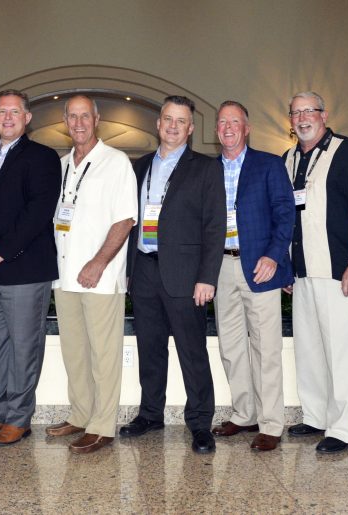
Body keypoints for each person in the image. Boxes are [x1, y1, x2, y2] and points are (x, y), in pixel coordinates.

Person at [121, 95, 225, 453]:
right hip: (144, 270)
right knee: (149, 348)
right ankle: (150, 413)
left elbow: (215, 226)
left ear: (191, 128)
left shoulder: (206, 168)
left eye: (181, 121)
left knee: (192, 352)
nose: (173, 126)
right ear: (158, 123)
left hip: (186, 275)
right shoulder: (140, 166)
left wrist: (207, 277)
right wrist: (129, 272)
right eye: (168, 118)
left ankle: (200, 423)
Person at [0, 90, 61, 445]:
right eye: (1, 111)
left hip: (24, 268)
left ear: (27, 117)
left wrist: (1, 250)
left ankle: (19, 417)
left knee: (24, 346)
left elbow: (38, 212)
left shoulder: (43, 158)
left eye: (14, 111)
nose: (7, 117)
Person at [282, 92, 348, 453]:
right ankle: (315, 416)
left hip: (341, 274)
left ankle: (341, 429)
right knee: (309, 350)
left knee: (342, 352)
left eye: (310, 110)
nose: (303, 117)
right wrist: (288, 268)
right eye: (296, 112)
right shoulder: (289, 159)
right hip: (303, 273)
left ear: (324, 114)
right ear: (289, 120)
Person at [46, 95, 138, 454]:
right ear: (65, 121)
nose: (79, 123)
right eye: (72, 116)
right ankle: (81, 414)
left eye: (85, 116)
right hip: (64, 275)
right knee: (75, 353)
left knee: (104, 355)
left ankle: (102, 425)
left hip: (100, 277)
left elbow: (125, 219)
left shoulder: (116, 163)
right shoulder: (61, 164)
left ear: (97, 119)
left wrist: (99, 261)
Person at [211, 100, 295, 452]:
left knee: (265, 348)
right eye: (222, 122)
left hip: (260, 266)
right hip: (220, 268)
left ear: (247, 128)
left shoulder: (269, 165)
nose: (228, 127)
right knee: (231, 347)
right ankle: (244, 413)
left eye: (235, 121)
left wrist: (274, 256)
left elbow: (285, 213)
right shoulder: (207, 170)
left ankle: (272, 423)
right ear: (216, 131)